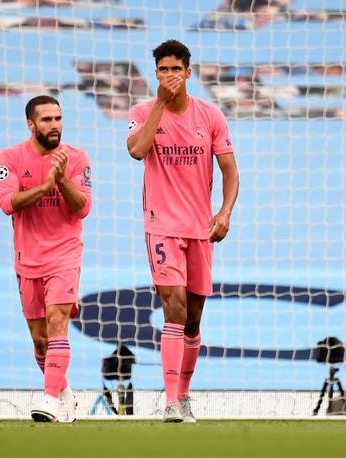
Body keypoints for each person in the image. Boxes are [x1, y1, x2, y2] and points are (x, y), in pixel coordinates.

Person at [126, 40, 239, 423]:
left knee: (193, 318)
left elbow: (230, 171)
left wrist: (224, 212)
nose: (170, 76)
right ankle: (171, 402)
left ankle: (185, 394)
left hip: (200, 230)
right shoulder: (142, 111)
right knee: (172, 307)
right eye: (163, 70)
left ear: (189, 73)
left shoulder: (210, 116)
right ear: (155, 74)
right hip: (160, 226)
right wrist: (159, 104)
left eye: (176, 69)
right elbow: (137, 151)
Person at [0, 95, 93, 422]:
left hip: (64, 255)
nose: (55, 126)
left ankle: (49, 399)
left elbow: (82, 208)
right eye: (48, 120)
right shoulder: (9, 157)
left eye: (59, 119)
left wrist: (61, 179)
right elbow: (8, 203)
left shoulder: (76, 159)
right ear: (31, 124)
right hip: (27, 259)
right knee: (40, 342)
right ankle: (64, 395)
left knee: (57, 324)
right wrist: (43, 186)